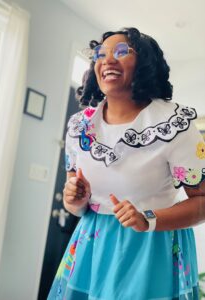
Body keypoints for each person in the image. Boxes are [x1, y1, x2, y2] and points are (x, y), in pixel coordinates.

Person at [47, 27, 205, 299]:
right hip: (92, 245)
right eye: (100, 54)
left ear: (144, 62)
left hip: (152, 247)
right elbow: (75, 205)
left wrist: (148, 219)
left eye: (121, 52)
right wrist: (76, 198)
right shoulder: (79, 126)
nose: (107, 60)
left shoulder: (176, 124)